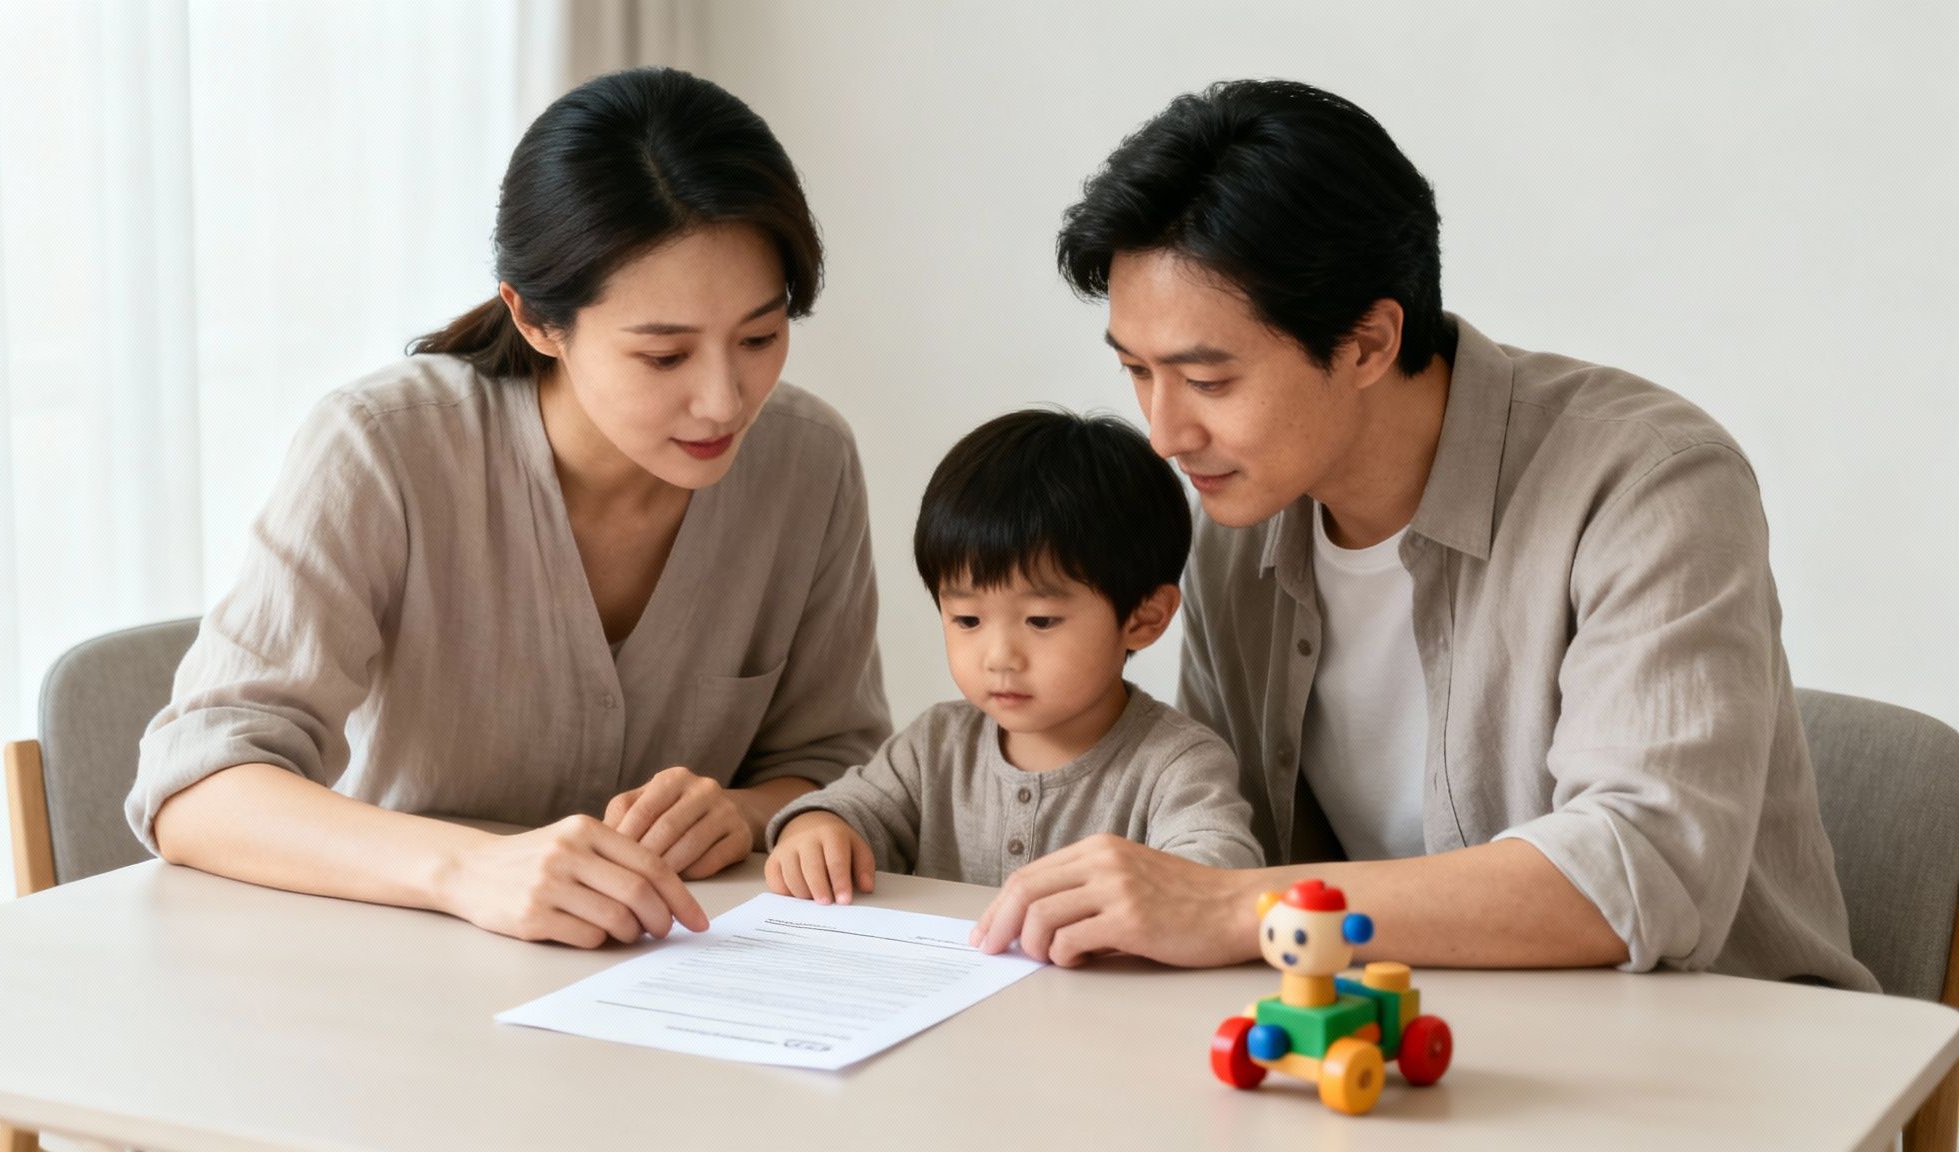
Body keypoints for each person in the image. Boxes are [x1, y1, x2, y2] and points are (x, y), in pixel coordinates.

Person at [970, 79, 1875, 991]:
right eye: (1136, 371)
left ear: (1367, 343)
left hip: (1724, 1062)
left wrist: (1228, 906)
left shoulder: (1649, 482)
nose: (1165, 434)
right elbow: (1226, 825)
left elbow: (1643, 869)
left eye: (1207, 382)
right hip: (1409, 1050)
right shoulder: (1237, 528)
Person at [127, 68, 890, 950]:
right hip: (400, 979)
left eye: (760, 338)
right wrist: (467, 871)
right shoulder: (385, 447)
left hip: (678, 989)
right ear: (535, 320)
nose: (724, 401)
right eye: (663, 356)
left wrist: (746, 811)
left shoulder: (809, 461)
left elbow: (841, 763)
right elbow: (196, 786)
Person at [764, 409, 1260, 902]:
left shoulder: (1178, 764)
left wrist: (1157, 890)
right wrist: (814, 828)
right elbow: (850, 810)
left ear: (1144, 618)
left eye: (1040, 621)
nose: (999, 657)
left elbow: (1221, 871)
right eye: (967, 621)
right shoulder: (934, 747)